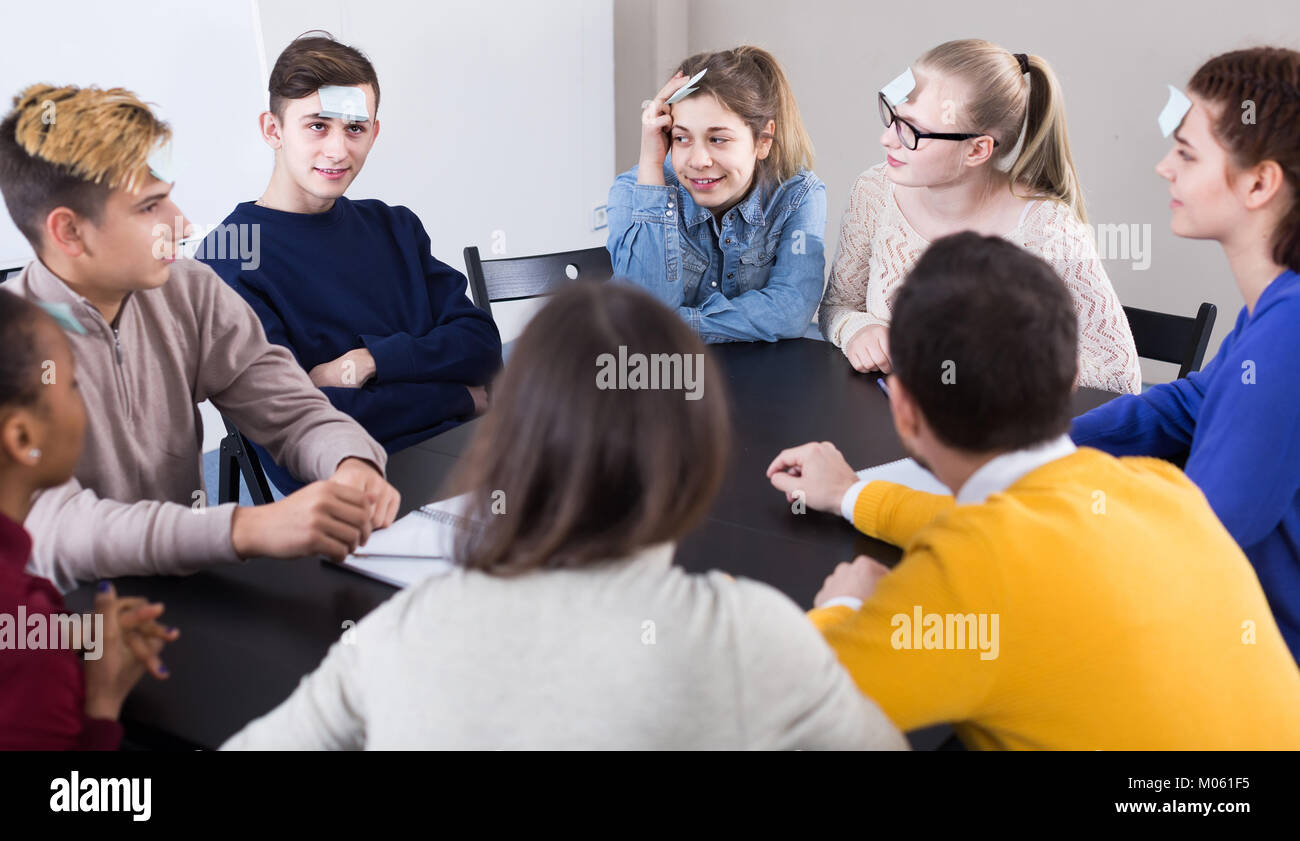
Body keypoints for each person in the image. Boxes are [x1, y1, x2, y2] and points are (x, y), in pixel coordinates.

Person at [223, 283, 906, 750]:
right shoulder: (751, 637)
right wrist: (844, 619)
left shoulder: (398, 632)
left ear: (508, 440)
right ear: (698, 457)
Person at [768, 232, 1300, 749]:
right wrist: (853, 494)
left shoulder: (970, 582)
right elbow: (1018, 539)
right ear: (1070, 374)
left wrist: (844, 606)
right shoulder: (1159, 488)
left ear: (902, 406)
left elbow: (786, 713)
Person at [0, 83, 398, 593]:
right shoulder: (10, 347)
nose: (183, 224)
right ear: (69, 232)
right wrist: (248, 527)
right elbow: (57, 531)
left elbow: (289, 405)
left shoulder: (188, 289)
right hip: (56, 631)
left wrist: (350, 461)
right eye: (150, 207)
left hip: (184, 597)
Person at [1072, 46, 1300, 663]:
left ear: (1259, 182)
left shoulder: (1288, 336)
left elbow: (1194, 538)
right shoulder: (1273, 310)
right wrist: (1051, 446)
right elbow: (1190, 403)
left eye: (1187, 154)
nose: (1162, 168)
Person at [201, 34, 501, 493]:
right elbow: (302, 430)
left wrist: (370, 361)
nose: (339, 150)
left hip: (475, 457)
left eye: (355, 128)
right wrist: (459, 395)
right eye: (318, 126)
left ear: (374, 132)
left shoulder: (394, 226)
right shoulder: (229, 257)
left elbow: (480, 347)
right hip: (361, 490)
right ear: (273, 130)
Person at [818, 39, 1140, 394]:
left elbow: (1119, 377)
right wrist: (855, 330)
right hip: (888, 424)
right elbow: (839, 305)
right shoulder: (874, 192)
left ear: (977, 150)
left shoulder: (1046, 229)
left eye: (911, 130)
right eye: (892, 116)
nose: (887, 138)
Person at [0, 291, 178, 749]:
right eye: (73, 386)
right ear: (23, 437)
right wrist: (103, 700)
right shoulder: (31, 652)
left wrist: (57, 632)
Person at [607, 46, 826, 343]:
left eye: (718, 139)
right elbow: (643, 317)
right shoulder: (634, 192)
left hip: (760, 378)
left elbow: (791, 311)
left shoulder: (798, 195)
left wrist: (675, 325)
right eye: (681, 137)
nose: (698, 161)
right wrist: (651, 164)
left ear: (762, 140)